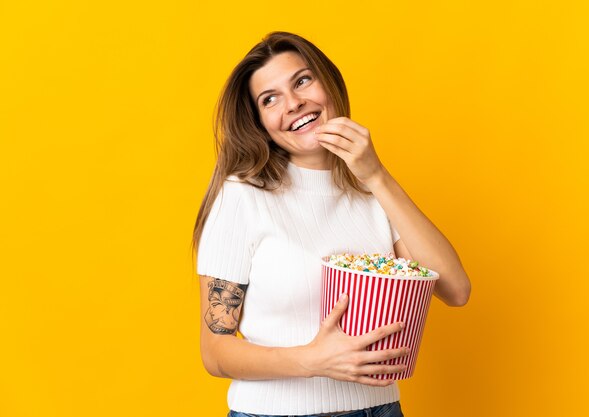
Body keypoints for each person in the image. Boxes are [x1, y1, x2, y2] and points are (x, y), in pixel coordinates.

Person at [192, 31, 471, 417]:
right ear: (261, 123)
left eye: (302, 80)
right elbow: (216, 351)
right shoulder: (242, 196)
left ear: (329, 83)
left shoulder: (372, 195)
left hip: (380, 409)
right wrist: (312, 360)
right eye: (270, 99)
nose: (293, 104)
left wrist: (376, 177)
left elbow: (455, 289)